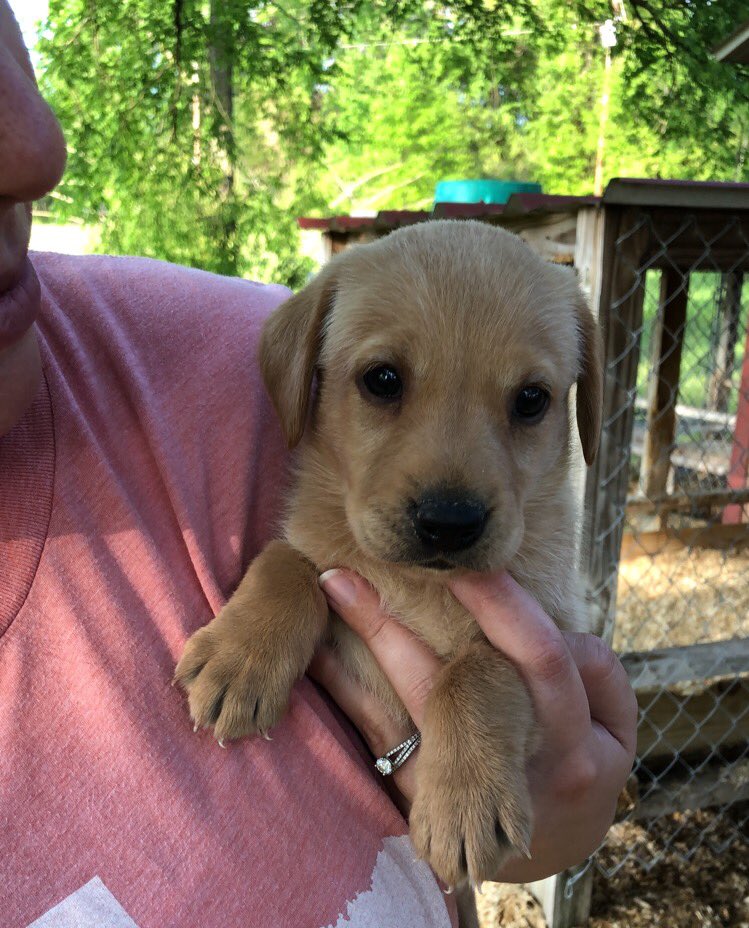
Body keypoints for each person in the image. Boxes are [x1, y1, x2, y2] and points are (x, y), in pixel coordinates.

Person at [0, 3, 637, 925]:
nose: (454, 489)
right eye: (383, 383)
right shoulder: (288, 417)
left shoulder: (183, 354)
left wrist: (506, 745)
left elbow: (545, 658)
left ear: (574, 403)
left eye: (526, 402)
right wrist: (279, 594)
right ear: (305, 380)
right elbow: (308, 562)